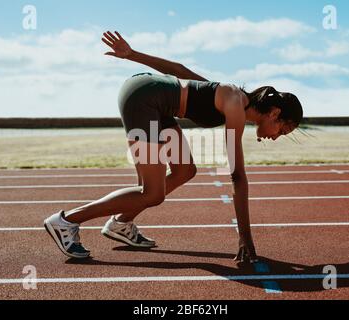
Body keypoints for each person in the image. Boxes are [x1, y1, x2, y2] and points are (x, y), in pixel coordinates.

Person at [44, 30, 303, 263]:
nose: (278, 136)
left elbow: (180, 70)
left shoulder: (234, 98)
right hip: (144, 98)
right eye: (283, 129)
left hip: (156, 104)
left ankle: (121, 223)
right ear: (274, 113)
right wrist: (245, 238)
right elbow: (236, 174)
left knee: (184, 171)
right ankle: (66, 221)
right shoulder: (235, 104)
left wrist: (132, 54)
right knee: (152, 193)